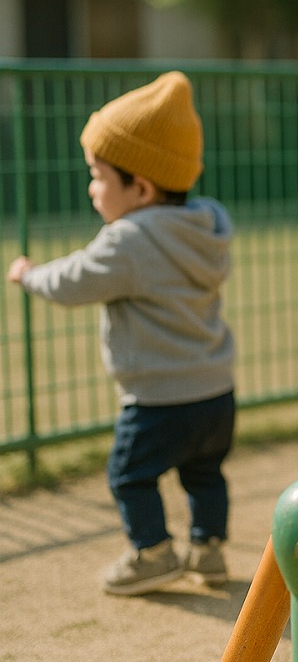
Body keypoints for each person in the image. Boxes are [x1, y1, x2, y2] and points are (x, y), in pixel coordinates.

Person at [7, 71, 236, 595]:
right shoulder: (207, 225)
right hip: (216, 391)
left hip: (158, 396)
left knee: (128, 475)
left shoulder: (130, 241)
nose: (92, 188)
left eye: (98, 176)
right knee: (204, 473)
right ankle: (209, 550)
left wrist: (28, 275)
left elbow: (73, 281)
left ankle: (152, 552)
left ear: (140, 187)